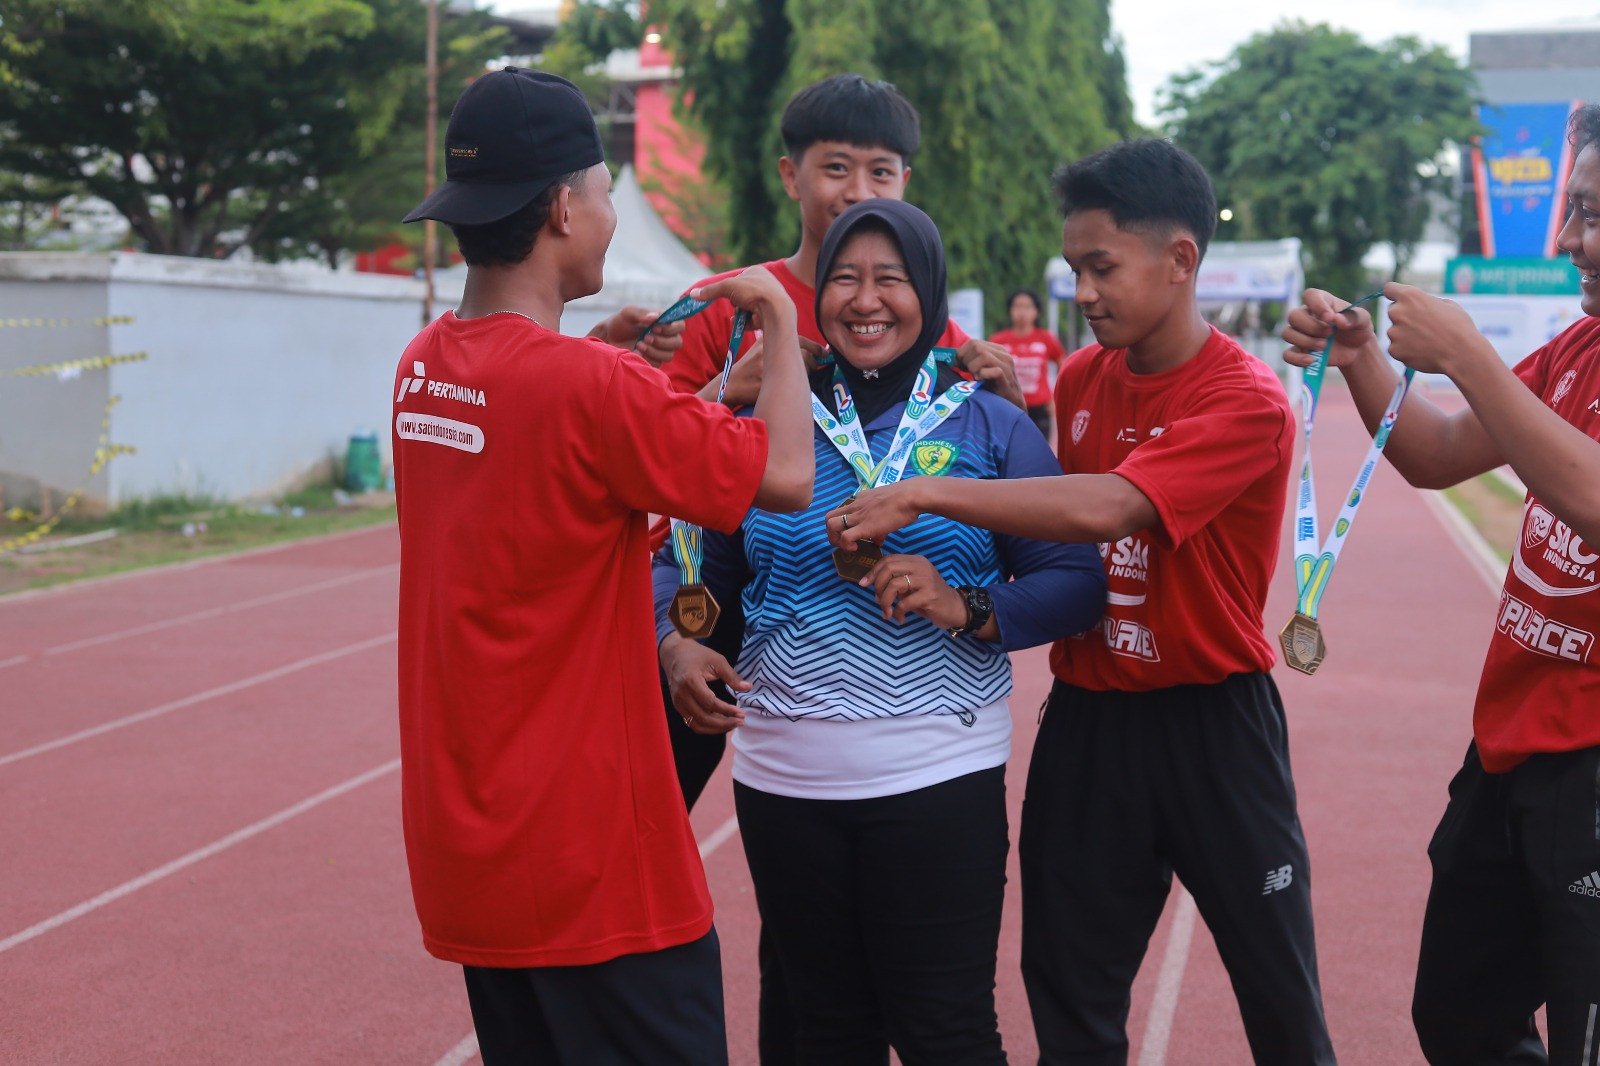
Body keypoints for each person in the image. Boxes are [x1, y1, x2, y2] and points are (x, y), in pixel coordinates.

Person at [828, 139, 1338, 1065]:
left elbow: (1111, 505)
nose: (1084, 292)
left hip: (1214, 726)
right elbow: (1055, 526)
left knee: (1279, 993)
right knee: (1066, 986)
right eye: (1075, 270)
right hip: (1093, 722)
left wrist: (922, 493)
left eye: (1102, 268)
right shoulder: (1084, 378)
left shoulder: (1246, 400)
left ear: (1180, 259)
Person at [390, 67, 814, 1066]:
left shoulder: (422, 365)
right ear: (562, 208)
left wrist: (615, 356)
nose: (613, 213)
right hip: (591, 860)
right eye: (606, 190)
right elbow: (788, 475)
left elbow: (542, 448)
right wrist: (783, 323)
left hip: (471, 842)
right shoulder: (598, 388)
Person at [654, 197, 1105, 1065]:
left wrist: (968, 605)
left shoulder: (988, 421)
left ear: (928, 294)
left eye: (890, 280)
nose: (866, 301)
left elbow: (1076, 582)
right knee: (824, 1034)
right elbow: (685, 553)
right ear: (818, 294)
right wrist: (674, 638)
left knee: (947, 1034)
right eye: (846, 280)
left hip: (937, 775)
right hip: (784, 782)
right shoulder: (768, 417)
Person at [1281, 103, 1600, 1066]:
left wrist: (1466, 353)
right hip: (1511, 746)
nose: (1571, 239)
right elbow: (1443, 450)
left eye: (1592, 213)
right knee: (1458, 1018)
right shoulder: (1577, 351)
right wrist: (1366, 355)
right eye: (1571, 210)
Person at [990, 287, 1067, 438]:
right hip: (1008, 406)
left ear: (1036, 311)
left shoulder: (1046, 338)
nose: (1022, 312)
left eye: (1027, 306)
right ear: (1010, 310)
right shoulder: (998, 341)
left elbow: (1064, 366)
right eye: (1017, 306)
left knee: (1040, 453)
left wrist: (1056, 398)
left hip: (1040, 408)